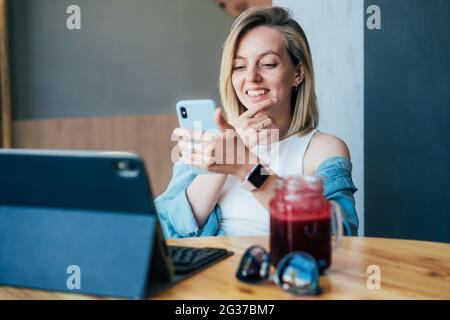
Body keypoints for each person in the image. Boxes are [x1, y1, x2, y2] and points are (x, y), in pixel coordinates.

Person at [155, 6, 358, 239]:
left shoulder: (322, 149)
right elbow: (166, 231)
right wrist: (225, 158)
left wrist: (246, 166)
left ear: (298, 73)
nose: (251, 77)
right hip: (211, 272)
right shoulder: (212, 142)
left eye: (268, 64)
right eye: (239, 66)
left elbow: (340, 236)